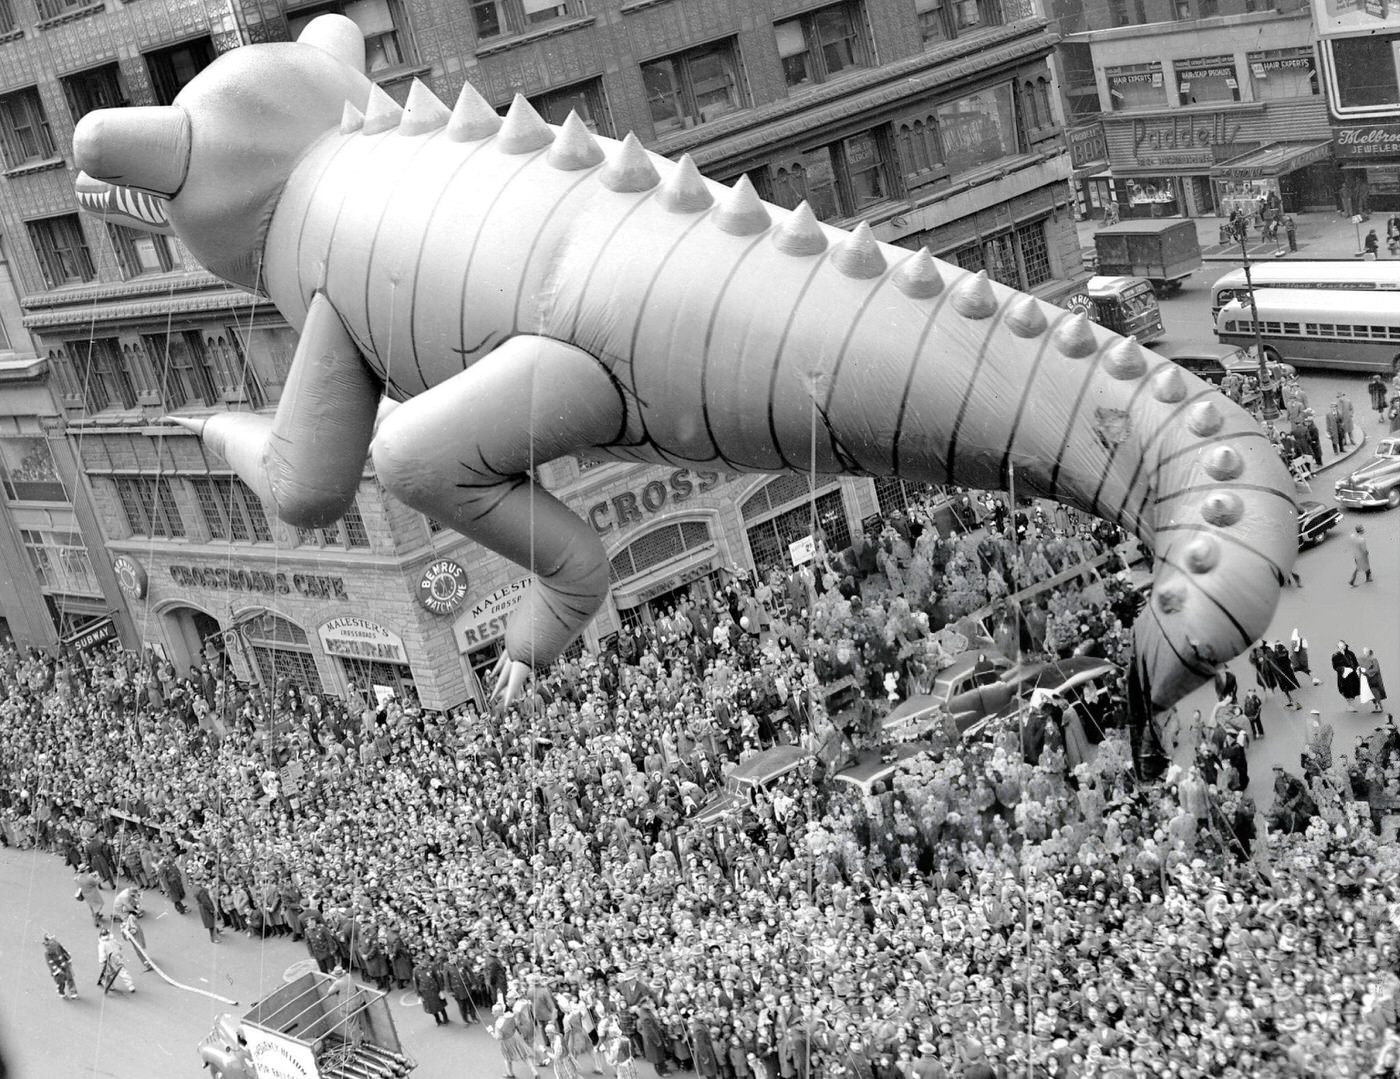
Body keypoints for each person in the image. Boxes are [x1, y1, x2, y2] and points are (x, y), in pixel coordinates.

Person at [96, 927, 135, 995]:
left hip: (109, 959)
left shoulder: (102, 945)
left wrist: (102, 962)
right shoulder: (113, 940)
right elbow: (120, 946)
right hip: (117, 957)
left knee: (107, 973)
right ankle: (130, 985)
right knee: (122, 971)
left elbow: (102, 955)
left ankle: (111, 985)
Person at [43, 934, 77, 1000]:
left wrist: (68, 958)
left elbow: (64, 951)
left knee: (69, 978)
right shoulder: (47, 954)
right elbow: (50, 963)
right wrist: (56, 970)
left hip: (64, 964)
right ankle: (61, 992)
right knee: (60, 982)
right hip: (57, 970)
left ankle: (73, 992)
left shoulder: (58, 945)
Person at [1333, 641, 1363, 712]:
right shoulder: (1336, 655)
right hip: (1344, 677)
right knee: (1346, 690)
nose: (1342, 648)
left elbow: (1355, 663)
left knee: (1354, 689)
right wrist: (1343, 669)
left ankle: (1351, 705)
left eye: (1343, 646)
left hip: (1353, 675)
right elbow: (1335, 666)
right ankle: (1350, 706)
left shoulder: (1350, 653)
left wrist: (1357, 669)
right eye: (1340, 646)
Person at [1361, 648, 1388, 714]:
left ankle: (1379, 706)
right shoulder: (1369, 660)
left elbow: (1375, 669)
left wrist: (1367, 672)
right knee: (1372, 692)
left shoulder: (1374, 660)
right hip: (1370, 679)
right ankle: (1377, 706)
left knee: (1375, 691)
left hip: (1374, 679)